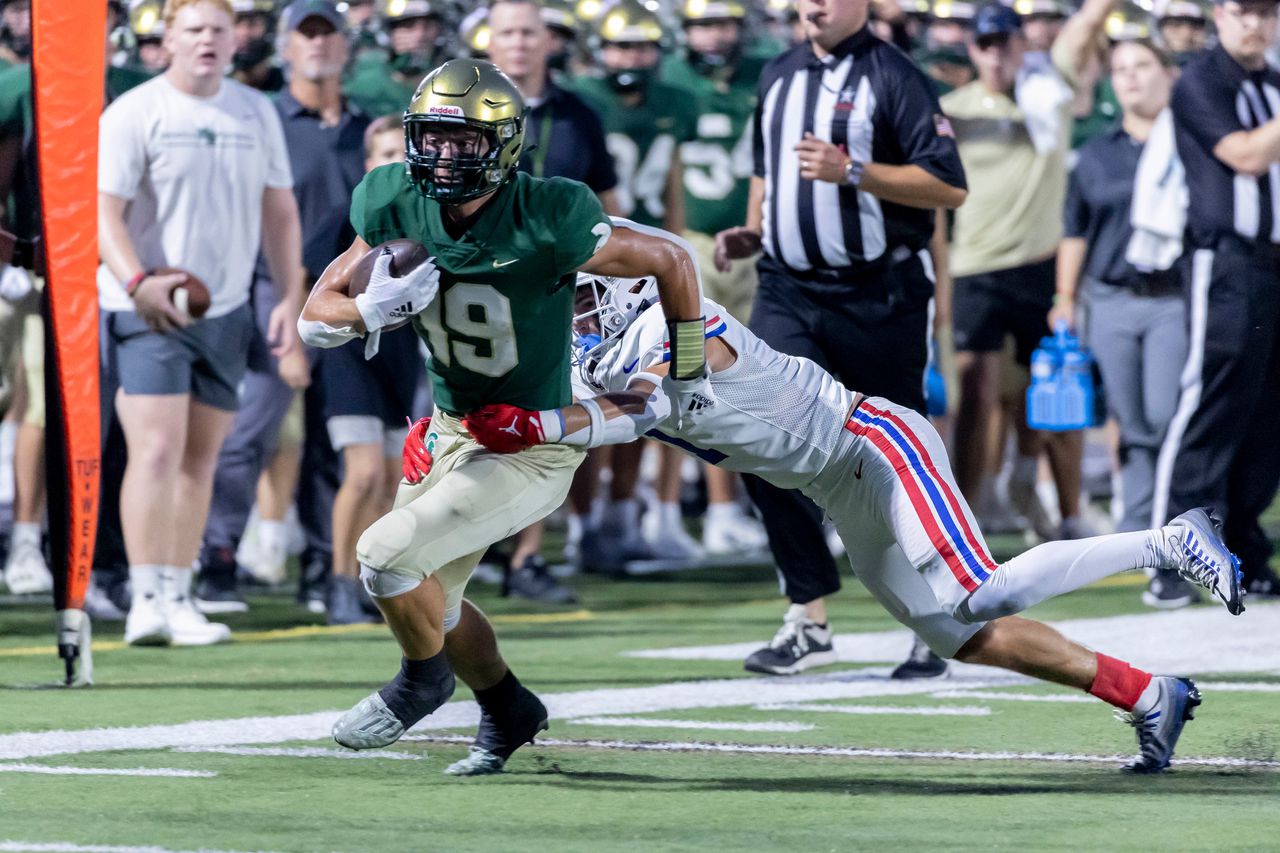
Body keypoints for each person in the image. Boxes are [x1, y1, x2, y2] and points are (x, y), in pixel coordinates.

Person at [460, 267, 1245, 775]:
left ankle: (1170, 538)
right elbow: (597, 400)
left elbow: (633, 406)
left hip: (874, 442)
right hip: (837, 485)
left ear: (628, 291)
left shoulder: (673, 330)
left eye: (585, 301)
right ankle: (1148, 695)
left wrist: (541, 424)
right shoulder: (612, 354)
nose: (576, 320)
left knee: (983, 590)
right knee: (956, 635)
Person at [296, 58, 712, 775]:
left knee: (384, 555)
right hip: (453, 428)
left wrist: (691, 367)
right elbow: (315, 312)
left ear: (507, 145)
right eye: (432, 139)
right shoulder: (392, 198)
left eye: (465, 142)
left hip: (531, 444)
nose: (445, 156)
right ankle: (508, 705)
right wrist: (368, 309)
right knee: (435, 600)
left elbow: (672, 258)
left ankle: (421, 683)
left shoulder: (548, 212)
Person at [714, 0, 966, 678]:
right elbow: (768, 167)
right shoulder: (777, 73)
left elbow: (947, 185)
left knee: (892, 461)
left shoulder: (895, 75)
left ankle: (933, 614)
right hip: (788, 288)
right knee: (755, 433)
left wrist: (853, 169)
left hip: (877, 295)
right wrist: (754, 226)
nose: (812, 5)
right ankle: (809, 611)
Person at [97, 0, 302, 646]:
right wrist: (139, 281)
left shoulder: (254, 110)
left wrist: (290, 292)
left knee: (200, 455)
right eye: (194, 29)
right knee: (155, 447)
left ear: (234, 39)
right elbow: (102, 214)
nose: (208, 39)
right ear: (167, 39)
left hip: (227, 304)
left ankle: (178, 593)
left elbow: (280, 211)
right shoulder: (136, 111)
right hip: (147, 305)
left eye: (218, 28)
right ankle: (146, 595)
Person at [196, 0, 354, 614]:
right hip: (275, 290)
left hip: (356, 300)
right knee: (248, 432)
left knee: (338, 437)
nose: (317, 45)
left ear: (346, 45)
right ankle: (218, 557)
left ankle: (323, 564)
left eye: (328, 34)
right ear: (286, 46)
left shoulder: (371, 126)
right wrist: (286, 299)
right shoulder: (264, 118)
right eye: (305, 35)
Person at [943, 0, 1115, 554]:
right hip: (974, 265)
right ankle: (967, 517)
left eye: (1006, 42)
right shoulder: (951, 109)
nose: (996, 54)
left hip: (1042, 264)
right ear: (972, 49)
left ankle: (1069, 513)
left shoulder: (1050, 86)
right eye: (985, 44)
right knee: (975, 397)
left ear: (1023, 44)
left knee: (1060, 392)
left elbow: (1087, 24)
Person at [484, 0, 621, 602]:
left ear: (549, 42)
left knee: (544, 419)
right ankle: (476, 544)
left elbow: (608, 202)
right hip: (472, 284)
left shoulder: (577, 115)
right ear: (490, 40)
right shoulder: (462, 111)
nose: (517, 43)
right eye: (506, 32)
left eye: (528, 33)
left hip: (554, 289)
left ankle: (528, 555)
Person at [1152, 0, 1280, 600]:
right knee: (1208, 405)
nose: (1255, 22)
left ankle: (1246, 554)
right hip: (1223, 259)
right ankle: (1171, 557)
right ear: (1218, 15)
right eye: (1243, 10)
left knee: (1267, 416)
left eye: (1267, 10)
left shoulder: (1272, 83)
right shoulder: (1201, 79)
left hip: (1273, 264)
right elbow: (1245, 155)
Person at [572, 0, 706, 567]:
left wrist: (676, 248)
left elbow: (673, 177)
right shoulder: (583, 103)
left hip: (648, 261)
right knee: (584, 392)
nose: (632, 56)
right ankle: (583, 524)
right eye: (622, 45)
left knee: (648, 391)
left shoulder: (674, 102)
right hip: (594, 262)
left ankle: (627, 514)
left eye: (643, 45)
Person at [1051, 41, 1186, 556]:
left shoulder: (1186, 144)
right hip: (1108, 299)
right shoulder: (1097, 152)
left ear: (1168, 74)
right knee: (1128, 422)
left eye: (1142, 66)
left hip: (1172, 298)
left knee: (1164, 413)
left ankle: (1177, 525)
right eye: (1121, 69)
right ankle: (1139, 531)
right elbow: (1075, 229)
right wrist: (1064, 295)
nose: (1130, 78)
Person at [661, 0, 774, 556]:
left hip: (755, 242)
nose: (712, 35)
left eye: (722, 22)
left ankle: (768, 505)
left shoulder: (766, 69)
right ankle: (721, 507)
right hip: (696, 244)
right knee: (704, 376)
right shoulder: (670, 81)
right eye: (702, 24)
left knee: (768, 379)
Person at [344, 0, 446, 118]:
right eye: (409, 26)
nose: (420, 35)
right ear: (388, 33)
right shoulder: (365, 77)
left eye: (427, 26)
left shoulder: (449, 79)